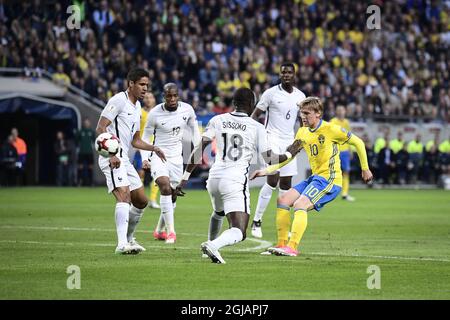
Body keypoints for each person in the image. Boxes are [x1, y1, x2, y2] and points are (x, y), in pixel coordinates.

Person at [175, 88, 302, 264]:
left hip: (214, 179)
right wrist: (289, 153)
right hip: (234, 181)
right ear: (252, 105)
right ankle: (213, 246)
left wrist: (184, 177)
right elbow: (270, 158)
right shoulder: (256, 127)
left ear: (233, 103)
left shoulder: (217, 120)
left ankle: (209, 247)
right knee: (239, 231)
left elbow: (199, 148)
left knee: (218, 212)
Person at [250, 97, 373, 257]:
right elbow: (289, 156)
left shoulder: (332, 129)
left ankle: (292, 247)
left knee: (300, 204)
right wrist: (266, 171)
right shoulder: (302, 132)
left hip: (330, 180)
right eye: (301, 113)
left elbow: (358, 142)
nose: (303, 116)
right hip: (315, 178)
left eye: (307, 113)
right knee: (283, 200)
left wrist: (365, 168)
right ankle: (281, 244)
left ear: (318, 114)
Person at [96, 68, 166, 254]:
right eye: (142, 84)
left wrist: (154, 148)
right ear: (131, 84)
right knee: (124, 197)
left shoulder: (137, 108)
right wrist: (111, 154)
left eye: (147, 85)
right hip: (112, 158)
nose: (145, 89)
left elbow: (135, 140)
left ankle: (129, 239)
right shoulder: (119, 100)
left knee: (141, 201)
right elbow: (101, 127)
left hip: (124, 160)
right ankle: (121, 244)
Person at [250, 62, 306, 238]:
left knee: (286, 185)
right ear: (280, 74)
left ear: (294, 74)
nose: (286, 75)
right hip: (271, 138)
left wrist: (301, 140)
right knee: (272, 179)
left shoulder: (300, 96)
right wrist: (253, 135)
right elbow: (255, 115)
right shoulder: (271, 93)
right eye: (283, 72)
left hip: (289, 141)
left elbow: (303, 121)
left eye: (289, 72)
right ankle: (257, 221)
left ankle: (283, 226)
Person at [142, 83, 201, 244]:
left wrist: (198, 148)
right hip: (159, 156)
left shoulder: (187, 109)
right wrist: (145, 158)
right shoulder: (154, 114)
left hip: (176, 159)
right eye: (169, 96)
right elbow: (146, 138)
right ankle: (171, 233)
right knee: (164, 186)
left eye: (175, 95)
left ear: (179, 96)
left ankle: (159, 230)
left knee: (172, 196)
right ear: (164, 97)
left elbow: (195, 129)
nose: (172, 99)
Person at [129, 92, 160, 209]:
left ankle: (152, 199)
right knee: (140, 173)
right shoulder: (139, 112)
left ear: (154, 100)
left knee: (157, 174)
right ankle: (138, 198)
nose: (148, 99)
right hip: (141, 147)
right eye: (146, 97)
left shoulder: (159, 113)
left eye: (150, 97)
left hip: (156, 147)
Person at [330, 105, 355, 201]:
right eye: (339, 110)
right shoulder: (332, 122)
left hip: (345, 151)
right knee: (333, 172)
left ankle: (345, 193)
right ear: (336, 112)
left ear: (345, 112)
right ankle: (331, 192)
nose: (341, 112)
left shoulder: (346, 122)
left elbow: (349, 137)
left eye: (342, 110)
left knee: (346, 172)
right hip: (335, 150)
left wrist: (351, 150)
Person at [75, 118, 95, 186]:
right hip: (81, 152)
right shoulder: (80, 131)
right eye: (85, 122)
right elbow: (76, 141)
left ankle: (91, 183)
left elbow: (95, 141)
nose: (86, 123)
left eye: (87, 122)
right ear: (83, 123)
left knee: (90, 167)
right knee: (80, 167)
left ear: (89, 123)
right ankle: (79, 182)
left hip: (90, 152)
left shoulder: (92, 132)